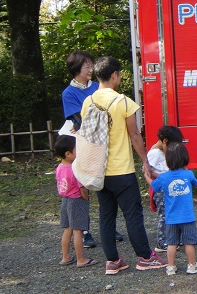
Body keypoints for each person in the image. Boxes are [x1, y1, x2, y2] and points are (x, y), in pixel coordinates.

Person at [80, 56, 166, 275]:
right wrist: (145, 161)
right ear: (114, 75)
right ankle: (145, 257)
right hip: (122, 170)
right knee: (132, 214)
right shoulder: (123, 102)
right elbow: (135, 135)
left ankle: (112, 261)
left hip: (99, 170)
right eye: (119, 74)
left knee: (106, 215)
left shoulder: (88, 102)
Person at [61, 50, 123, 248]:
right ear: (75, 69)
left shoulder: (97, 86)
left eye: (90, 64)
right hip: (82, 144)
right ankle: (84, 230)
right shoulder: (69, 93)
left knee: (104, 186)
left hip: (103, 141)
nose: (90, 68)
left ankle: (108, 227)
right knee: (82, 188)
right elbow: (76, 120)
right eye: (85, 65)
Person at [144, 142, 197, 275]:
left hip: (171, 217)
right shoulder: (188, 174)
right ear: (185, 159)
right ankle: (192, 265)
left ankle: (170, 267)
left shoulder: (165, 177)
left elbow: (154, 186)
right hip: (187, 216)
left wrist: (146, 175)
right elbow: (194, 182)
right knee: (189, 242)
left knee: (171, 244)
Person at [54, 135, 98, 268]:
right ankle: (81, 259)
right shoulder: (75, 169)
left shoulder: (59, 168)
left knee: (67, 229)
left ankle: (65, 257)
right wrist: (86, 198)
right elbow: (82, 188)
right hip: (77, 201)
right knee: (78, 231)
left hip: (65, 200)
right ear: (68, 154)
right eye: (76, 149)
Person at [147, 125, 185, 253]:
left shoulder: (164, 152)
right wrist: (165, 177)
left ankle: (174, 238)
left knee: (174, 212)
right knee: (165, 214)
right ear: (164, 141)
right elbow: (147, 171)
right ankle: (162, 241)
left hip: (169, 187)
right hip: (161, 189)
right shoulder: (154, 153)